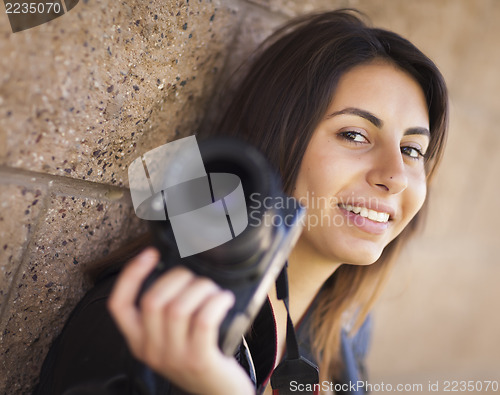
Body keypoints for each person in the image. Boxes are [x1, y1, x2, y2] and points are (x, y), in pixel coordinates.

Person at [35, 9, 448, 395]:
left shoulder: (346, 332)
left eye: (413, 149)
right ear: (279, 139)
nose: (394, 176)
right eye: (354, 135)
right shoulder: (151, 326)